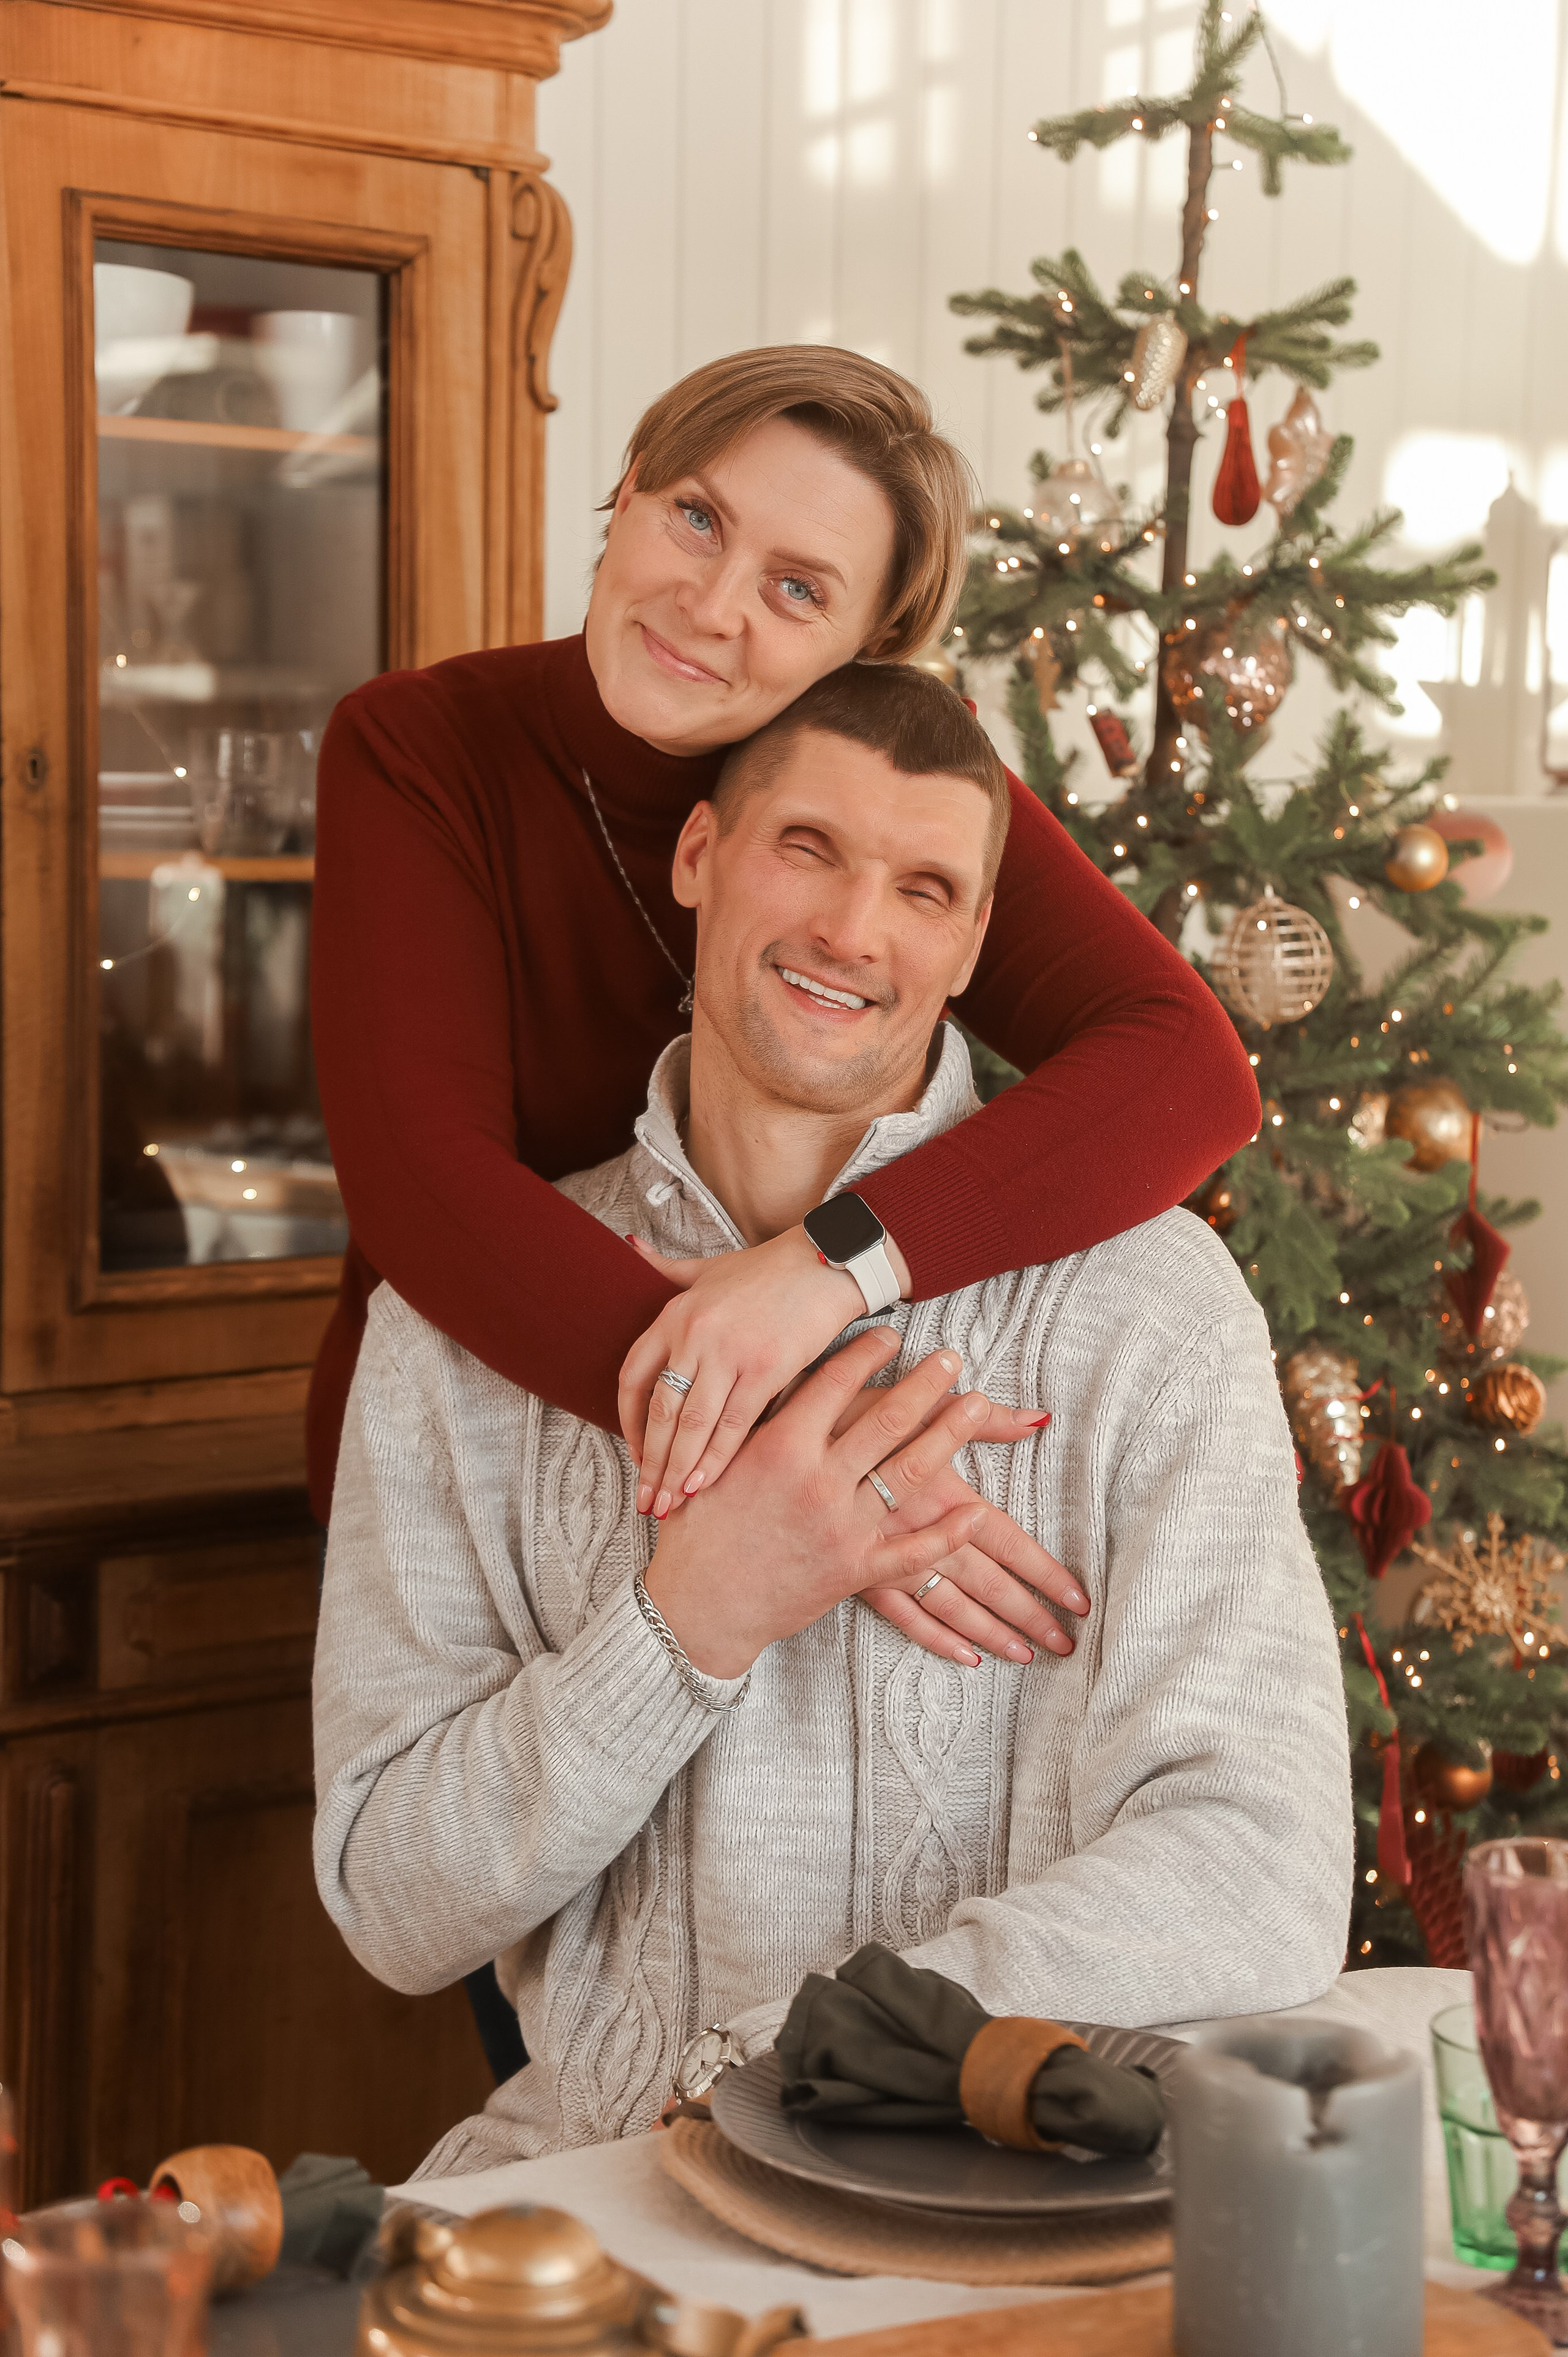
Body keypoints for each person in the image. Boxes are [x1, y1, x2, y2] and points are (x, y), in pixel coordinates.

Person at [313, 664, 1351, 2174]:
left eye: (924, 888)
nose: (854, 932)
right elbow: (388, 1904)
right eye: (806, 848)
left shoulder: (1150, 1307)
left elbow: (1259, 1866)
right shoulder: (459, 1323)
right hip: (585, 2190)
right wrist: (687, 1623)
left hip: (999, 2212)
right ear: (697, 856)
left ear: (974, 943)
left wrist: (806, 2058)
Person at [308, 344, 1261, 1676]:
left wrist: (827, 1267)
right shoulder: (421, 749)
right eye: (696, 516)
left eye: (796, 587)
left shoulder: (890, 793)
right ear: (629, 490)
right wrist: (825, 1460)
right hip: (495, 1466)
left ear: (862, 651)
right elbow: (422, 1185)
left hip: (829, 1462)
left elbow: (1186, 1068)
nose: (708, 606)